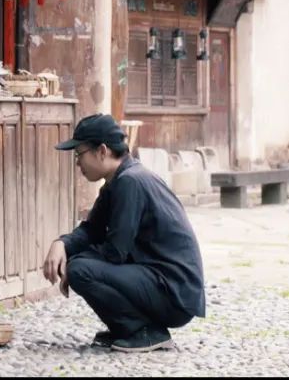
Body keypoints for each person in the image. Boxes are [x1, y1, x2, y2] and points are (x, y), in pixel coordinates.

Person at [42, 114, 206, 353]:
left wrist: (74, 264)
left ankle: (143, 332)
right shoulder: (118, 181)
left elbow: (115, 253)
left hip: (174, 291)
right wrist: (62, 244)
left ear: (102, 151)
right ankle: (133, 329)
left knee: (79, 270)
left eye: (79, 154)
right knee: (80, 265)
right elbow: (92, 230)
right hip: (160, 282)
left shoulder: (131, 182)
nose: (77, 163)